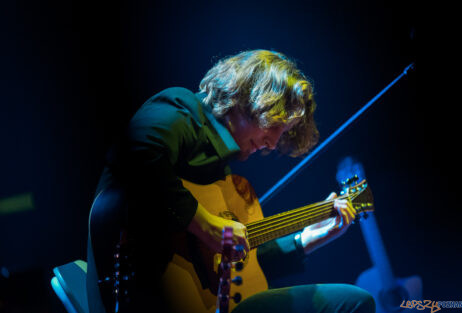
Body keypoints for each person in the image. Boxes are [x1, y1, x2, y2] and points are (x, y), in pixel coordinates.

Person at [86, 49, 376, 313]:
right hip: (141, 293)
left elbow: (243, 271)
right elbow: (135, 154)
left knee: (351, 299)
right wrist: (206, 224)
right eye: (275, 124)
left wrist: (306, 240)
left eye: (283, 132)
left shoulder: (220, 176)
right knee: (350, 303)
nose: (274, 143)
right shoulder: (182, 111)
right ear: (250, 99)